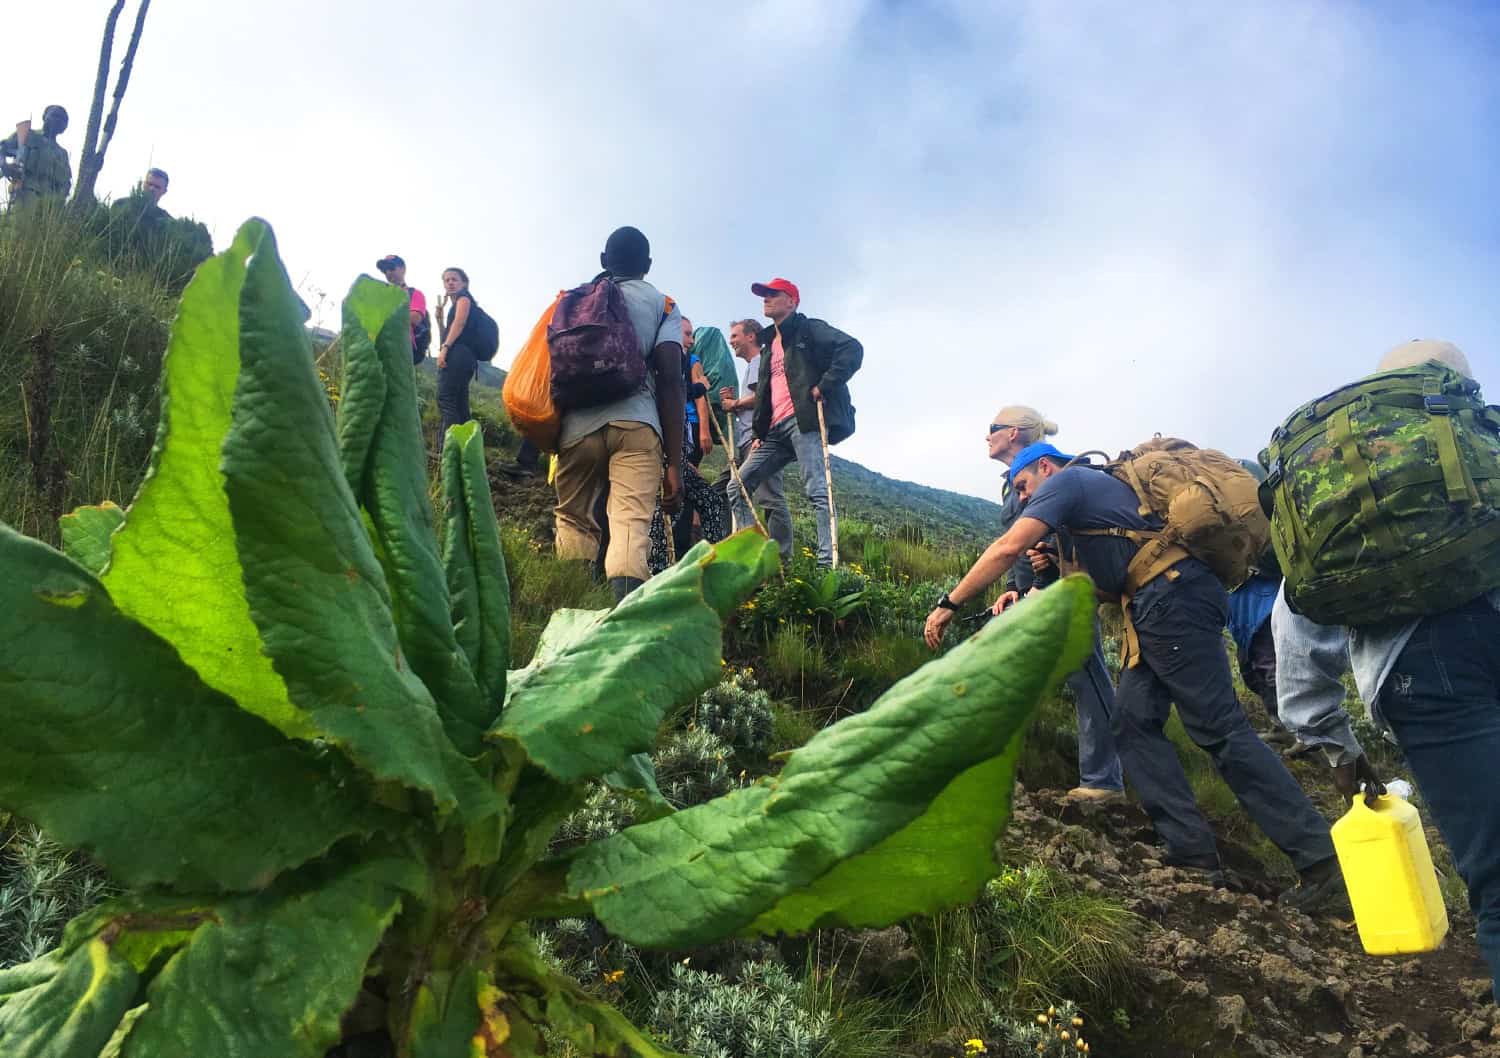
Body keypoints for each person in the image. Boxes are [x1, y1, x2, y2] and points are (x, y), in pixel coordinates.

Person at [923, 443, 1345, 909]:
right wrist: (1044, 580)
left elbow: (1007, 548)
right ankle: (1192, 853)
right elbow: (1105, 585)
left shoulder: (1068, 482)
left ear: (1044, 467)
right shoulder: (1090, 505)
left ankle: (1322, 863)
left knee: (1220, 729)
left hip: (1170, 600)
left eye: (1022, 487)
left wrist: (949, 603)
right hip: (1155, 606)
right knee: (1132, 722)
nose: (1022, 499)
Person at [1340, 339, 1500, 999]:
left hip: (1418, 671)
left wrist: (1331, 742)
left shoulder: (1345, 472)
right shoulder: (1482, 438)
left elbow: (1299, 623)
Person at [988, 407, 1124, 803]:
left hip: (1065, 589)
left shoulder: (1054, 477)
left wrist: (1045, 582)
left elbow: (1058, 537)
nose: (986, 437)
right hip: (1039, 591)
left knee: (1086, 675)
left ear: (1013, 433)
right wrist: (1016, 585)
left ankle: (1104, 780)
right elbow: (1023, 544)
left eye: (992, 430)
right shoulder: (1016, 483)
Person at [552, 226, 685, 602]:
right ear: (647, 265)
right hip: (637, 424)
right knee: (628, 525)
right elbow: (672, 380)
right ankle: (620, 629)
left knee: (574, 520)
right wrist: (674, 463)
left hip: (576, 428)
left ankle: (569, 616)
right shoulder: (663, 304)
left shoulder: (574, 300)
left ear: (603, 262)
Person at [732, 277, 863, 569]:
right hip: (775, 430)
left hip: (804, 420)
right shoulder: (768, 345)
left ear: (791, 301)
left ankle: (825, 564)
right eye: (763, 294)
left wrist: (824, 385)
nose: (765, 298)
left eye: (772, 294)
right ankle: (748, 563)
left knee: (816, 489)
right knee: (737, 486)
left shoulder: (808, 329)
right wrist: (759, 432)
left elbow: (851, 349)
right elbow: (764, 392)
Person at [720, 318, 792, 559]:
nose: (731, 341)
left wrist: (735, 403)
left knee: (769, 497)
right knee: (744, 492)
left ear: (751, 336)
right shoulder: (753, 364)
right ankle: (756, 551)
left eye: (735, 336)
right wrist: (734, 404)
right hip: (747, 438)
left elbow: (763, 396)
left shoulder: (760, 360)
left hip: (757, 439)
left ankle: (776, 557)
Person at [436, 267, 480, 438]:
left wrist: (444, 350)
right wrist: (439, 319)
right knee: (460, 405)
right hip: (466, 358)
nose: (450, 283)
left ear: (464, 283)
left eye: (454, 279)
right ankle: (466, 450)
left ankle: (447, 449)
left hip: (458, 355)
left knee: (445, 399)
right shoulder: (456, 305)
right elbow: (446, 335)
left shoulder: (464, 299)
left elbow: (459, 324)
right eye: (446, 280)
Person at [1, 106, 71, 205]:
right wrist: (4, 165)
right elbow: (2, 148)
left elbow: (66, 182)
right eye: (54, 115)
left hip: (51, 204)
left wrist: (60, 199)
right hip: (26, 194)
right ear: (44, 116)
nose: (58, 120)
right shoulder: (27, 135)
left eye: (63, 119)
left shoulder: (62, 153)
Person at [375, 255, 430, 364]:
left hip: (404, 349)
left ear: (403, 269)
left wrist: (383, 319)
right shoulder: (380, 296)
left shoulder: (414, 293)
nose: (388, 273)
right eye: (384, 270)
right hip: (381, 349)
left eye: (391, 268)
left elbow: (415, 318)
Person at [681, 317, 713, 465]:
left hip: (690, 425)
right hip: (672, 423)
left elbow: (701, 398)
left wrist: (704, 432)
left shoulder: (692, 361)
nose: (692, 341)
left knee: (687, 473)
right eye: (687, 335)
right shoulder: (664, 360)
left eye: (692, 335)